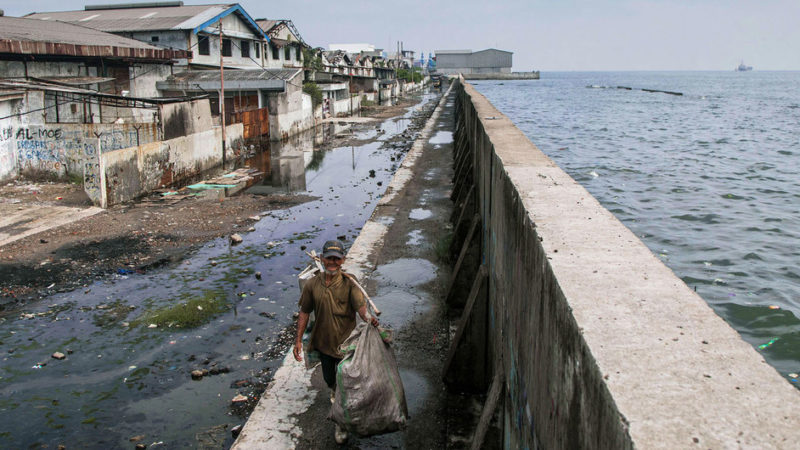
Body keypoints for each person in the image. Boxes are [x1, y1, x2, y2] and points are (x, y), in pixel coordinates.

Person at [293, 239, 379, 444]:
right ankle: (336, 396)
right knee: (330, 380)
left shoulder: (350, 283)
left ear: (343, 261)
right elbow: (304, 312)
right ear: (322, 259)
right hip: (323, 344)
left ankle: (341, 424)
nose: (332, 262)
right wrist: (298, 341)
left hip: (346, 346)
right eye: (329, 258)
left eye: (337, 259)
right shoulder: (313, 284)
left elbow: (361, 309)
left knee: (343, 385)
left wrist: (369, 320)